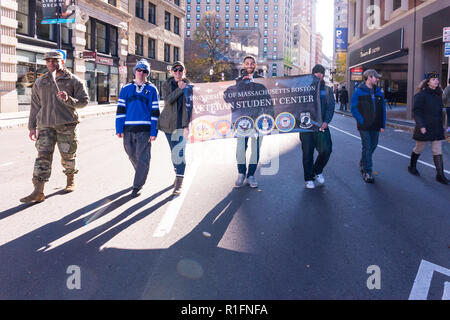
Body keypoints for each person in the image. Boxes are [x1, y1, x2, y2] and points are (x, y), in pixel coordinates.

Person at [20, 51, 89, 203]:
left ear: (62, 61)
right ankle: (38, 191)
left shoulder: (73, 80)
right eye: (48, 61)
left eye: (55, 60)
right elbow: (35, 106)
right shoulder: (40, 82)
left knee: (68, 155)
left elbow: (84, 101)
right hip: (45, 125)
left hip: (67, 125)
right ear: (46, 63)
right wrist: (32, 127)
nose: (51, 63)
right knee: (42, 158)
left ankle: (70, 180)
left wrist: (69, 99)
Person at [116, 59, 160, 197]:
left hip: (144, 130)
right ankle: (141, 171)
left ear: (147, 73)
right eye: (139, 70)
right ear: (135, 71)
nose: (141, 73)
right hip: (128, 129)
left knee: (143, 158)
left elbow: (155, 112)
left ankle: (137, 185)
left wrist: (154, 131)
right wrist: (119, 128)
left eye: (144, 71)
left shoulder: (152, 89)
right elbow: (120, 110)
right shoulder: (126, 89)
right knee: (131, 155)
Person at [158, 61, 192, 196]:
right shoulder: (166, 84)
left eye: (180, 70)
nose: (178, 72)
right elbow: (168, 100)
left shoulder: (190, 86)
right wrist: (180, 89)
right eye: (175, 70)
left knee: (180, 153)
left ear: (184, 72)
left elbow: (192, 107)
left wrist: (187, 126)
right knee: (174, 153)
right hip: (168, 125)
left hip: (182, 125)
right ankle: (177, 174)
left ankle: (179, 182)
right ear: (171, 72)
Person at [408, 72, 448, 184]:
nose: (436, 81)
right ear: (428, 82)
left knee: (437, 150)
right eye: (433, 79)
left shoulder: (439, 95)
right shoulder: (421, 95)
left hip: (436, 128)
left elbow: (440, 113)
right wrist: (421, 126)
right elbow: (416, 112)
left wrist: (443, 127)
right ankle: (412, 166)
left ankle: (440, 175)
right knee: (419, 149)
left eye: (437, 79)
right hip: (424, 127)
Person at [299, 64, 335, 189]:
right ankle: (309, 178)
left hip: (322, 126)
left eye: (321, 73)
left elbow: (331, 107)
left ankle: (317, 170)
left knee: (326, 150)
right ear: (312, 74)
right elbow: (297, 105)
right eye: (317, 72)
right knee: (307, 154)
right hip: (306, 126)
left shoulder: (328, 90)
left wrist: (326, 121)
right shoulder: (304, 88)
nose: (319, 74)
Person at [233, 55, 265, 188]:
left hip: (258, 119)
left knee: (255, 149)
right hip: (242, 120)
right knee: (241, 148)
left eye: (252, 63)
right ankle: (241, 173)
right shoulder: (238, 80)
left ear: (255, 65)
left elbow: (267, 98)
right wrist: (242, 83)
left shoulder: (263, 80)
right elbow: (233, 98)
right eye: (247, 63)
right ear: (244, 65)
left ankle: (251, 175)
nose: (250, 65)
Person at [351, 69, 386, 183]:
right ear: (369, 77)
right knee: (367, 146)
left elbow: (382, 110)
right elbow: (354, 108)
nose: (377, 79)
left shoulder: (379, 92)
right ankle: (367, 172)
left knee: (373, 146)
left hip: (376, 125)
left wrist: (382, 125)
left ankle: (363, 161)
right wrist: (361, 121)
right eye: (376, 77)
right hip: (364, 126)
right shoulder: (358, 91)